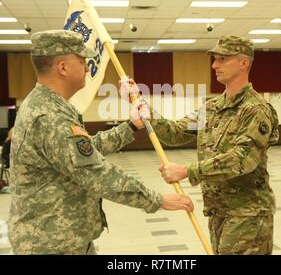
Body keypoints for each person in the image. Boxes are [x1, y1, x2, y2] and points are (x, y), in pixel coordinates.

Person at [8, 30, 194, 255]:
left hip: (62, 239)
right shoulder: (50, 116)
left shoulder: (50, 106)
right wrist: (157, 199)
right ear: (63, 67)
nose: (87, 67)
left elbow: (86, 151)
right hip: (50, 245)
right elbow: (96, 173)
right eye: (82, 60)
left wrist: (131, 126)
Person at [121, 35, 279, 255]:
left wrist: (187, 171)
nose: (215, 65)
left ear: (244, 63)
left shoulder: (256, 109)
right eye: (215, 59)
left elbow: (242, 159)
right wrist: (143, 105)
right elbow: (175, 133)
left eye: (223, 59)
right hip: (218, 212)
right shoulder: (212, 107)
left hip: (248, 215)